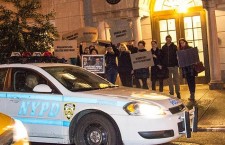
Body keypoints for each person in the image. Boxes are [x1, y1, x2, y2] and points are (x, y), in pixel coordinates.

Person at [178, 38, 197, 102]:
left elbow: (195, 57)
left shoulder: (190, 48)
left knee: (192, 81)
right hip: (185, 68)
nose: (182, 44)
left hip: (191, 68)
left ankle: (192, 94)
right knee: (188, 81)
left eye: (183, 42)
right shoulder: (180, 51)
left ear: (185, 42)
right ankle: (191, 93)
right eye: (180, 43)